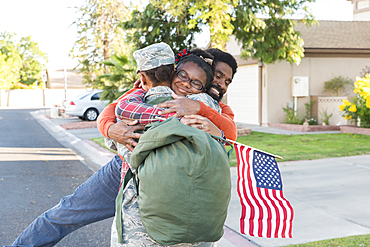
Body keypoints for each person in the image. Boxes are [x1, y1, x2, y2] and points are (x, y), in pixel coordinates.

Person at [5, 48, 237, 247]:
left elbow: (231, 134)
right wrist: (110, 129)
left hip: (175, 178)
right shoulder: (149, 89)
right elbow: (113, 109)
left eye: (226, 81)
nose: (220, 84)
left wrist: (197, 107)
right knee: (67, 212)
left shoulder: (217, 108)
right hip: (125, 168)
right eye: (217, 75)